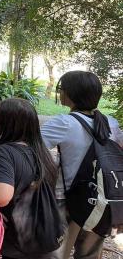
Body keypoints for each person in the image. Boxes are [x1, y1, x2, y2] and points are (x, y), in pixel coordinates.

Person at [41, 71, 123, 259]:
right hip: (101, 200)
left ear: (72, 94)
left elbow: (32, 147)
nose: (60, 92)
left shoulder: (64, 123)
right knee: (90, 255)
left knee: (56, 254)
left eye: (62, 89)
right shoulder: (110, 123)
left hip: (67, 199)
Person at [0, 98, 60, 259]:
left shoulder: (4, 153)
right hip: (44, 237)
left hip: (17, 243)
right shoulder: (43, 153)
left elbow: (2, 197)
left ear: (3, 122)